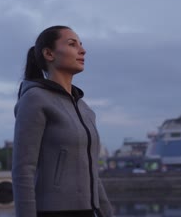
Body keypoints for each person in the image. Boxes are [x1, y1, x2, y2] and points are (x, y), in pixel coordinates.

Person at [12, 26, 113, 217]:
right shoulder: (34, 99)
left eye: (81, 45)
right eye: (72, 44)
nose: (82, 50)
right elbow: (23, 170)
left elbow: (92, 173)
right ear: (49, 54)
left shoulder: (85, 109)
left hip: (88, 212)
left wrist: (107, 213)